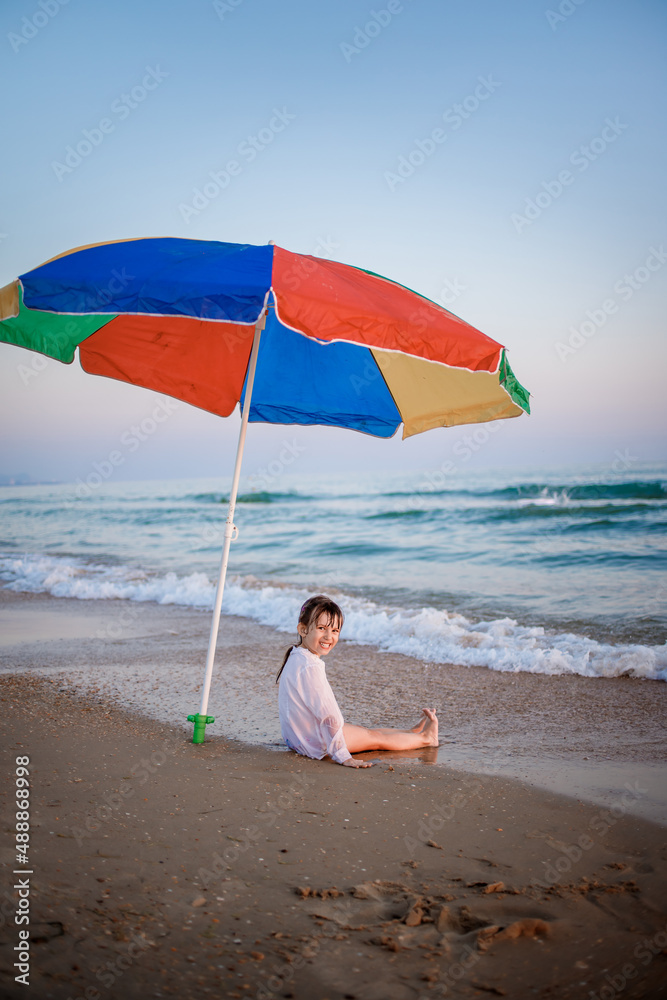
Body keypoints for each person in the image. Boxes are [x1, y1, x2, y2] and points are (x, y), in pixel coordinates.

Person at [277, 595, 439, 769]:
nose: (328, 636)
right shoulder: (310, 666)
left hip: (297, 737)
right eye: (322, 628)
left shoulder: (296, 656)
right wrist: (342, 756)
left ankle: (410, 733)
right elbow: (329, 716)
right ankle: (426, 739)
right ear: (303, 629)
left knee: (365, 732)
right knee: (375, 738)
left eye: (335, 631)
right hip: (317, 742)